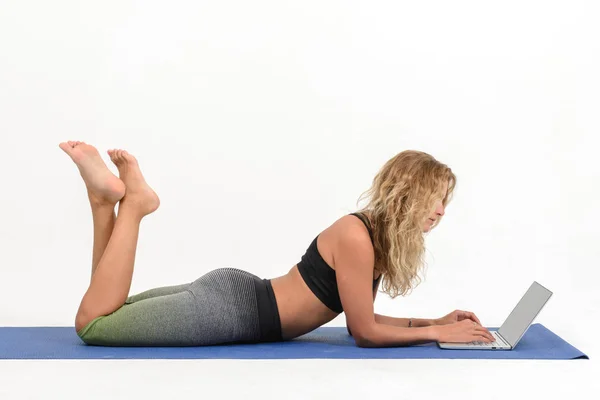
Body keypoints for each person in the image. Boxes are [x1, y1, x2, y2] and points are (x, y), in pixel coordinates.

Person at [60, 141, 494, 347]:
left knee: (105, 309)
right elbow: (363, 333)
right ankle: (133, 205)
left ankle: (102, 202)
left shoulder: (372, 238)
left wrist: (431, 321)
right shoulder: (356, 237)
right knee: (92, 325)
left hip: (234, 297)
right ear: (408, 196)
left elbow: (364, 316)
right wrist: (440, 333)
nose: (440, 211)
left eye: (444, 202)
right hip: (229, 313)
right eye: (434, 199)